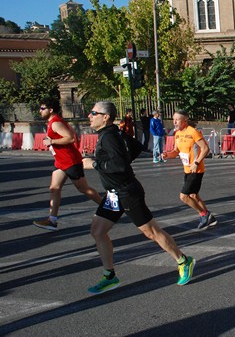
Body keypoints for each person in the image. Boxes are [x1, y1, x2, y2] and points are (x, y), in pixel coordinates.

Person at [82, 101, 195, 294]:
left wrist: (94, 165)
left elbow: (120, 166)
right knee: (98, 230)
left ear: (105, 116)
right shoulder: (113, 133)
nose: (90, 116)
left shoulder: (109, 136)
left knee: (151, 232)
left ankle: (184, 260)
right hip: (113, 195)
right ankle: (110, 276)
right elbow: (135, 147)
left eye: (94, 113)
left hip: (127, 192)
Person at [33, 97, 103, 231]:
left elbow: (70, 137)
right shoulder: (52, 122)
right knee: (54, 188)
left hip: (70, 161)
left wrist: (52, 142)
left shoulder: (55, 123)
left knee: (84, 189)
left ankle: (108, 210)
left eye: (42, 108)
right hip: (61, 162)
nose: (40, 111)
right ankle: (52, 220)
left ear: (50, 110)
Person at [162, 110, 217, 230]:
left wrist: (196, 162)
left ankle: (203, 214)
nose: (174, 122)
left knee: (184, 196)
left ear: (185, 120)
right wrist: (168, 155)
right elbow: (176, 151)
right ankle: (209, 217)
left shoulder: (193, 132)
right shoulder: (177, 133)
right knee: (194, 195)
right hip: (187, 170)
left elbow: (205, 148)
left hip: (196, 170)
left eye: (177, 119)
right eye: (173, 119)